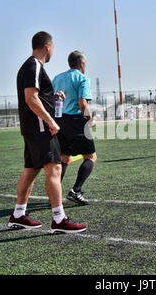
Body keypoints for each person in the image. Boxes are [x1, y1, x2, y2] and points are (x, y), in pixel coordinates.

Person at [10, 31, 86, 233]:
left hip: (32, 128)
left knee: (31, 170)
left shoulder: (31, 66)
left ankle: (18, 214)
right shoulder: (34, 65)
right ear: (47, 47)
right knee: (55, 168)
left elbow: (37, 96)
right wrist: (51, 120)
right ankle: (59, 219)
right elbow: (31, 98)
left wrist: (52, 97)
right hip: (40, 127)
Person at [52, 51, 97, 206]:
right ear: (82, 64)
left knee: (64, 158)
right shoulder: (83, 79)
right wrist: (90, 120)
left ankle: (54, 193)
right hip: (77, 121)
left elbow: (52, 99)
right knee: (90, 156)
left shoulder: (57, 78)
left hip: (60, 121)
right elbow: (82, 103)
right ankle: (76, 191)